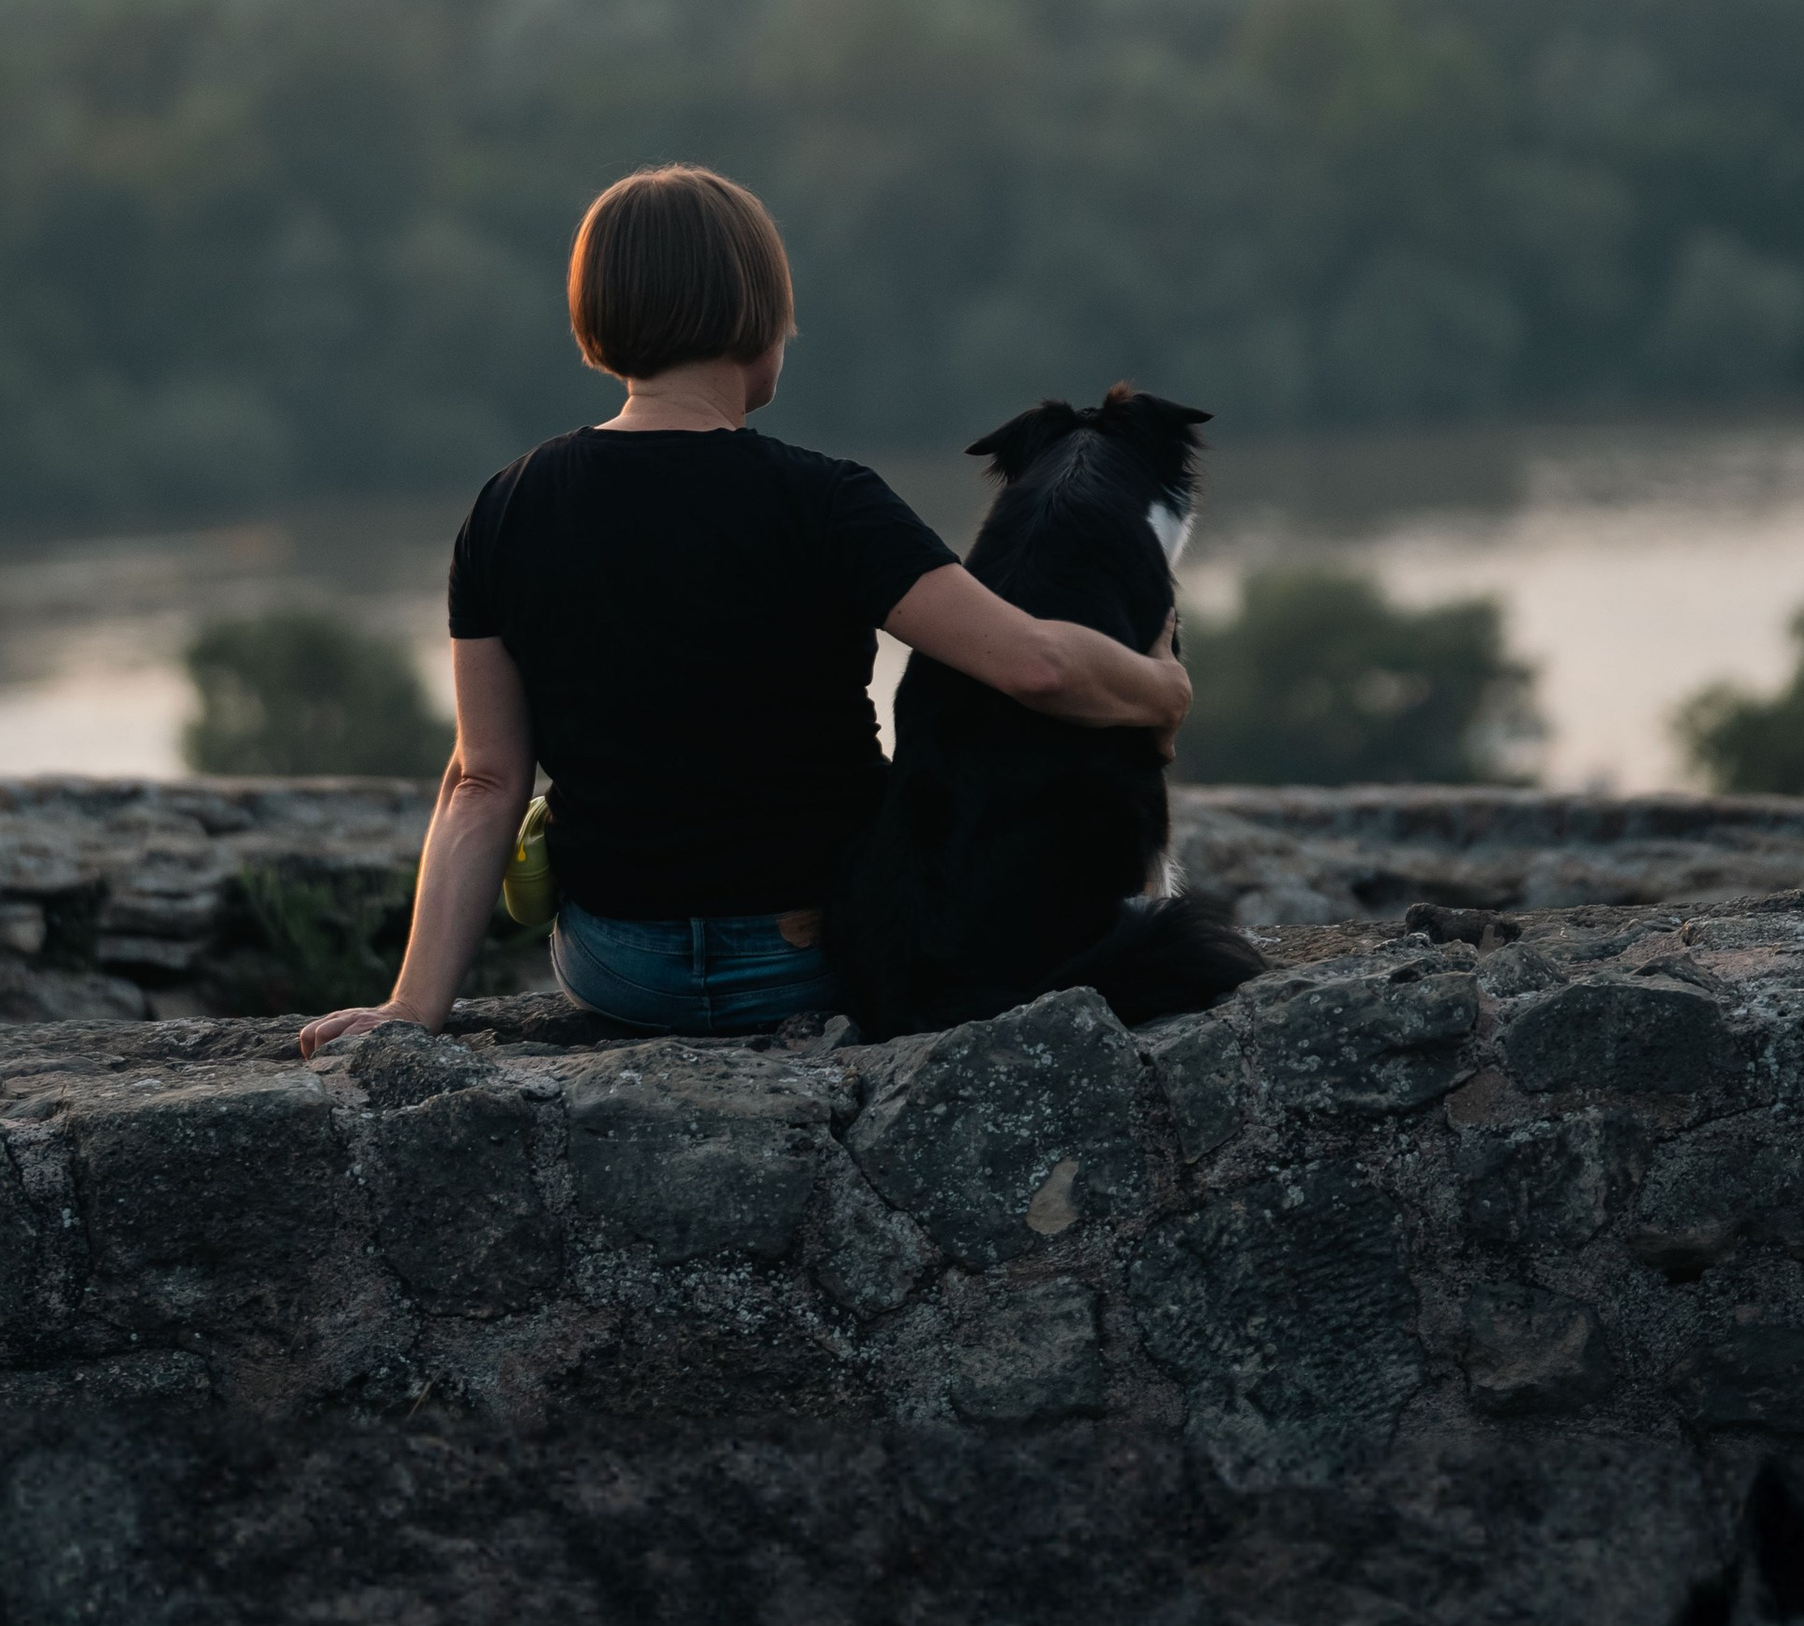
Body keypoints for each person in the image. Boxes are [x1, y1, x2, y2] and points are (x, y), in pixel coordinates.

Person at [299, 162, 1190, 1048]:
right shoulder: (828, 501)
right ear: (759, 321)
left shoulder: (505, 507)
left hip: (620, 966)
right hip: (813, 952)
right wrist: (1162, 688)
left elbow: (486, 780)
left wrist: (410, 1011)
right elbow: (1032, 662)